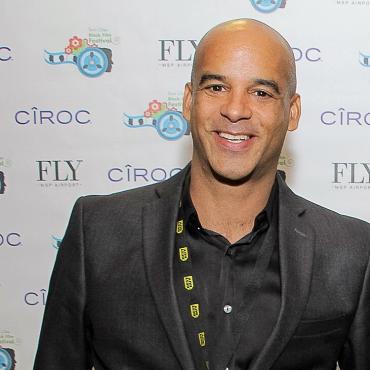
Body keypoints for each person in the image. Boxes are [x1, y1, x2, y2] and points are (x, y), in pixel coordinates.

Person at [33, 19, 370, 370]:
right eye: (216, 87)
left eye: (261, 92)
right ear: (189, 101)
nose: (236, 109)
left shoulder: (351, 251)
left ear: (292, 111)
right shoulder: (99, 231)